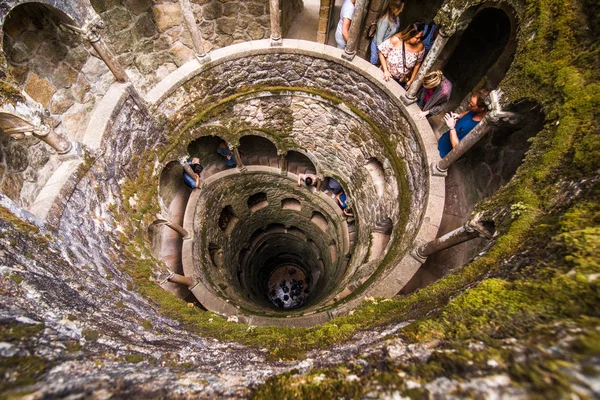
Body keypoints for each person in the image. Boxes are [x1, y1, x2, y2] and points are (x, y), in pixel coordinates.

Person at [438, 89, 489, 158]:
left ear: (482, 108)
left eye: (472, 105)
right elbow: (467, 113)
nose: (469, 106)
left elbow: (457, 148)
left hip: (444, 155)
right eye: (469, 103)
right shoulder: (475, 111)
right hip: (443, 142)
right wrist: (458, 116)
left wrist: (452, 127)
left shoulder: (478, 128)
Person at [378, 22, 425, 89]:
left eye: (420, 37)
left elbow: (418, 64)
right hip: (387, 75)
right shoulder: (396, 40)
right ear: (410, 35)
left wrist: (411, 81)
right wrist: (385, 70)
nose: (419, 40)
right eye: (417, 38)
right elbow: (381, 52)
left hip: (401, 81)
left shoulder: (420, 46)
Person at [369, 0, 404, 65]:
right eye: (400, 9)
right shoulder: (385, 21)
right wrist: (383, 53)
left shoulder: (396, 18)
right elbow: (379, 41)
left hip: (385, 46)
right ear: (395, 9)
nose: (401, 11)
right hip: (378, 46)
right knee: (374, 62)